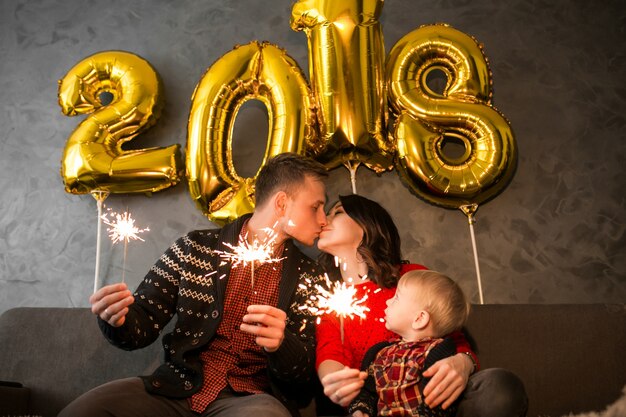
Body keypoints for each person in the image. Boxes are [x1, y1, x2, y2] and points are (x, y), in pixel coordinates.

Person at [59, 152, 329, 417]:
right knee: (85, 410)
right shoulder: (194, 248)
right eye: (315, 207)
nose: (323, 220)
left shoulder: (310, 277)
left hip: (250, 400)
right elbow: (141, 326)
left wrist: (281, 344)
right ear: (281, 203)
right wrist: (116, 319)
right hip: (175, 391)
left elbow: (304, 379)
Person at [315, 194, 527, 417]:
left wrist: (462, 364)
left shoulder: (410, 276)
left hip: (439, 396)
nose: (323, 220)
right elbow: (330, 356)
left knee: (501, 388)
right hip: (384, 406)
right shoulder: (331, 303)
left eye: (336, 212)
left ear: (367, 226)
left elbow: (454, 336)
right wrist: (335, 384)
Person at [348, 269, 471, 417]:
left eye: (396, 298)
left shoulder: (436, 353)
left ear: (419, 319)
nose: (388, 301)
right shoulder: (380, 353)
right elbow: (367, 393)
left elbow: (438, 400)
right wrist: (360, 410)